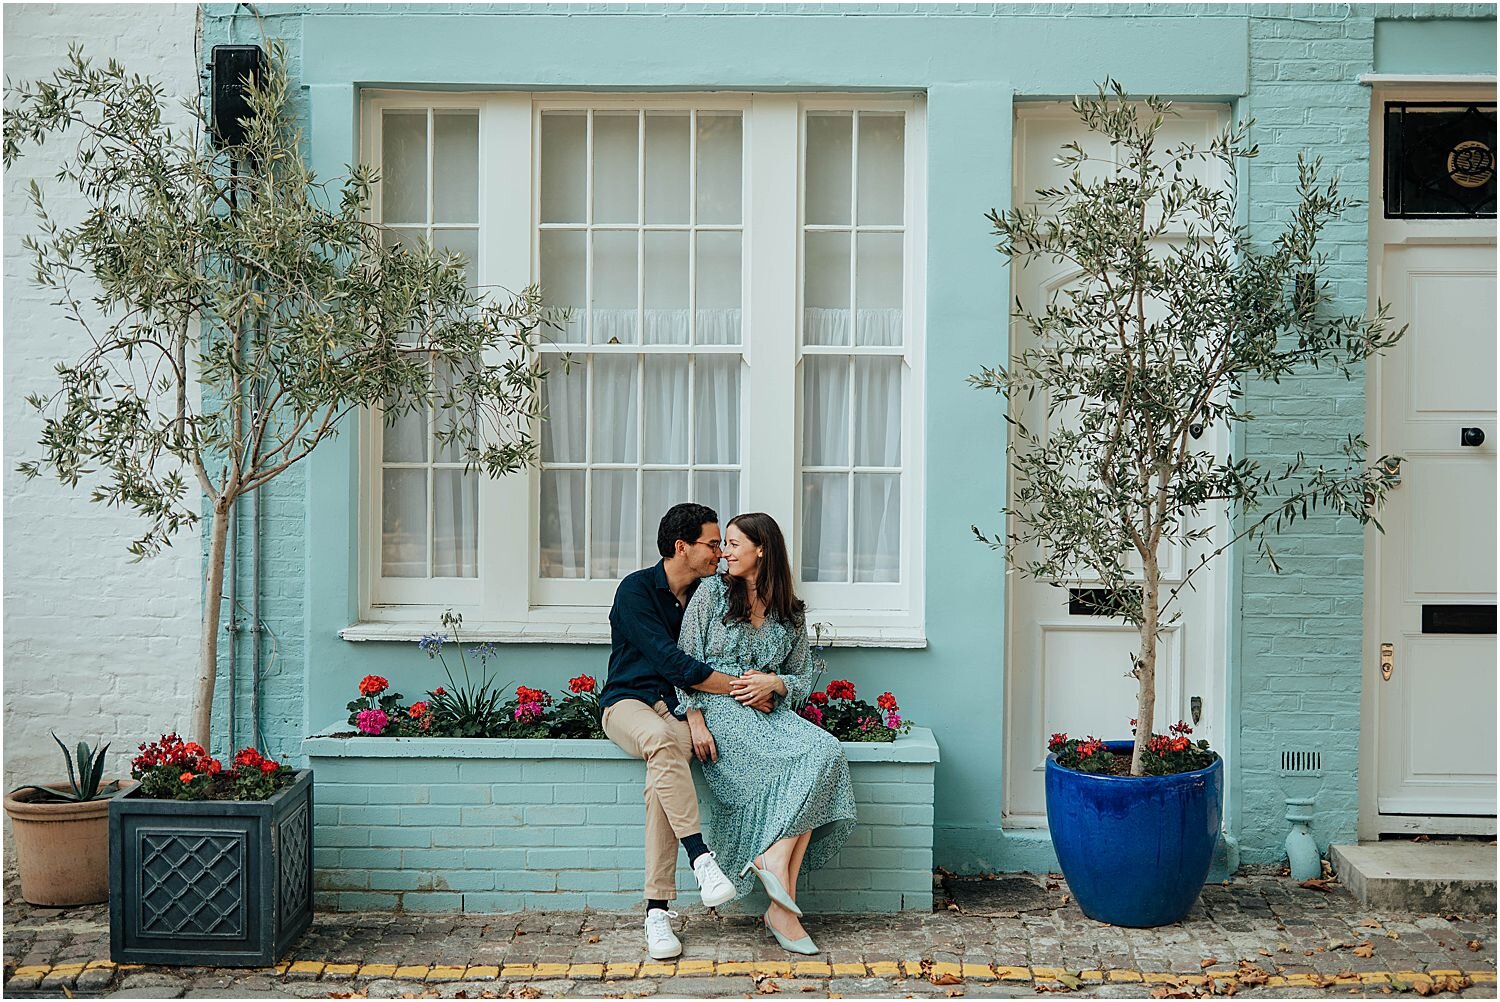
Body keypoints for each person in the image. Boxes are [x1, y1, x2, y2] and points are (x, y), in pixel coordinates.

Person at [674, 512, 856, 956]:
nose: (725, 552)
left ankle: (775, 871)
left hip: (770, 712)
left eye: (734, 544)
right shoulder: (710, 593)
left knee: (826, 752)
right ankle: (784, 911)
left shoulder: (789, 609)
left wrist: (776, 684)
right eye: (724, 544)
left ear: (762, 550)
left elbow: (801, 674)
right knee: (808, 762)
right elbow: (683, 662)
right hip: (720, 709)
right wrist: (694, 717)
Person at [600, 502, 761, 961]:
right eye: (713, 544)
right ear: (680, 546)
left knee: (662, 778)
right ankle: (701, 857)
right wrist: (738, 687)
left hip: (679, 711)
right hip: (627, 703)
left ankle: (656, 910)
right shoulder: (636, 591)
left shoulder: (710, 595)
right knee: (658, 741)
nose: (720, 553)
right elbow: (671, 662)